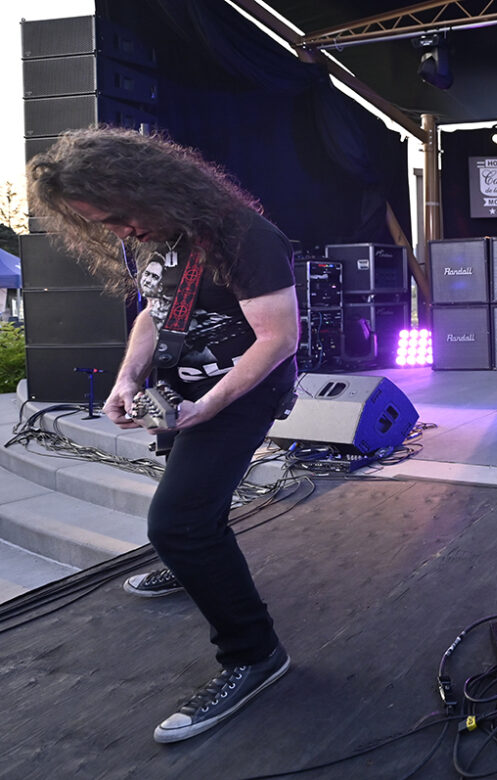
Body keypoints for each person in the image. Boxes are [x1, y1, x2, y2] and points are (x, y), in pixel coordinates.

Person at [27, 127, 299, 743]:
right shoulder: (156, 235)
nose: (121, 231)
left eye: (119, 216)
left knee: (177, 524)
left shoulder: (244, 236)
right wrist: (128, 377)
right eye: (102, 222)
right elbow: (156, 309)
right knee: (194, 513)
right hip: (182, 390)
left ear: (149, 186)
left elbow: (279, 339)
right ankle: (193, 567)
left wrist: (210, 404)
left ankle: (255, 654)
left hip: (241, 391)